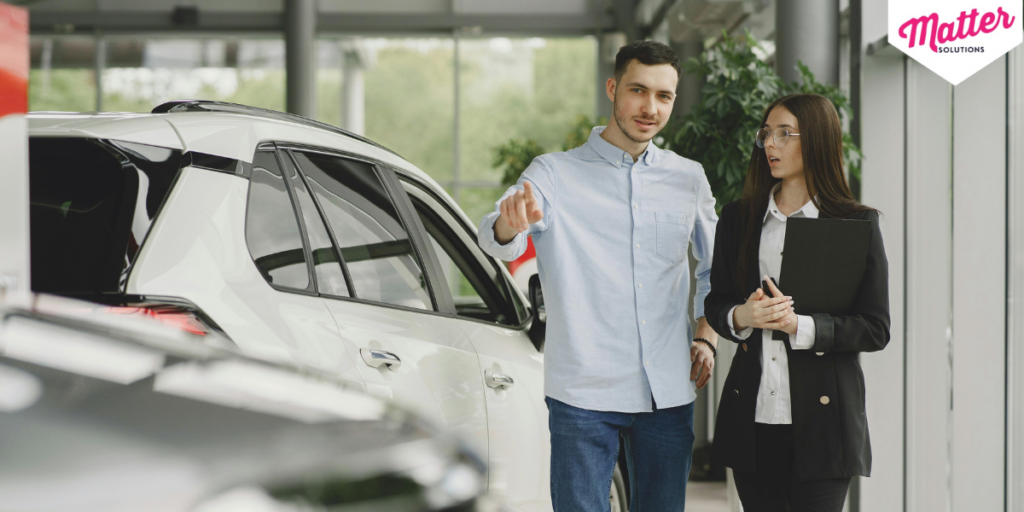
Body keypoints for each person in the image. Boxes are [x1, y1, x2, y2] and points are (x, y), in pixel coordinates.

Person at [477, 40, 718, 512]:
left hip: (668, 387)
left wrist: (706, 336)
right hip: (583, 389)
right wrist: (510, 221)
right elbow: (494, 236)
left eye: (664, 96)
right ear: (612, 89)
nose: (650, 108)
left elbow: (717, 268)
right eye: (637, 90)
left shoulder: (688, 178)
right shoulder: (554, 172)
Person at [704, 94, 891, 511]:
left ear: (818, 140)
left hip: (825, 426)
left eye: (785, 134)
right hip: (752, 419)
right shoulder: (737, 218)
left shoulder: (855, 223)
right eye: (767, 133)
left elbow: (875, 328)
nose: (770, 144)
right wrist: (742, 315)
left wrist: (801, 327)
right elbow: (716, 302)